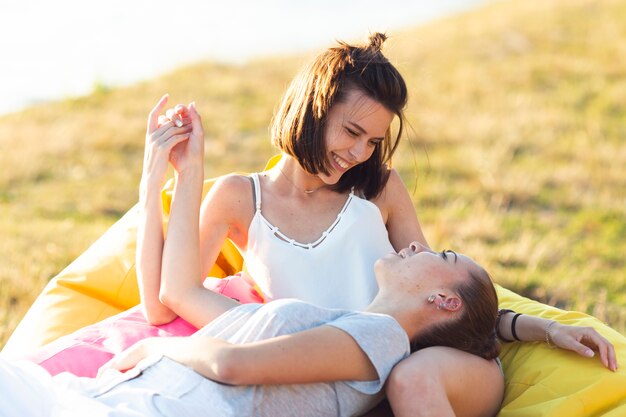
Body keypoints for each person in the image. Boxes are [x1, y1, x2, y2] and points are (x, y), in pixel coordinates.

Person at [136, 33, 616, 417]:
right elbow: (167, 301)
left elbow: (441, 302)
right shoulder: (241, 198)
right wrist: (172, 175)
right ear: (313, 108)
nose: (359, 153)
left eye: (373, 140)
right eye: (351, 131)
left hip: (436, 368)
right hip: (349, 373)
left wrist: (542, 328)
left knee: (411, 378)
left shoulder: (378, 189)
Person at [0, 228, 503, 416]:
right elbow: (181, 295)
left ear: (444, 300)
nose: (418, 244)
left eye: (445, 253)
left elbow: (230, 366)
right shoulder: (347, 321)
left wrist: (154, 349)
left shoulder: (383, 338)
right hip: (107, 398)